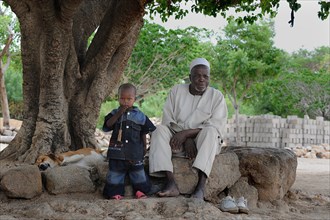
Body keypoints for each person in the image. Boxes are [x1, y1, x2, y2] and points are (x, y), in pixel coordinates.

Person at [149, 58, 228, 199]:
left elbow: (216, 125)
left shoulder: (216, 96)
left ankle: (201, 187)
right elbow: (168, 120)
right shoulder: (176, 91)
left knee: (211, 132)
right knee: (159, 130)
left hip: (201, 143)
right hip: (176, 139)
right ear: (190, 77)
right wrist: (184, 138)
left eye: (205, 76)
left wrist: (188, 135)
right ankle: (170, 182)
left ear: (209, 78)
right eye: (197, 75)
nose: (201, 79)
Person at [102, 83, 156, 200]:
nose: (125, 101)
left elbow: (144, 132)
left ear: (134, 99)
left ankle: (140, 191)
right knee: (115, 173)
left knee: (138, 173)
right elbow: (108, 125)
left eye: (129, 99)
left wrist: (144, 147)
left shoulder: (140, 116)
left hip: (135, 153)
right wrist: (118, 113)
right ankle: (114, 193)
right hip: (117, 153)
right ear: (118, 98)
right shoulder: (114, 113)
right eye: (122, 98)